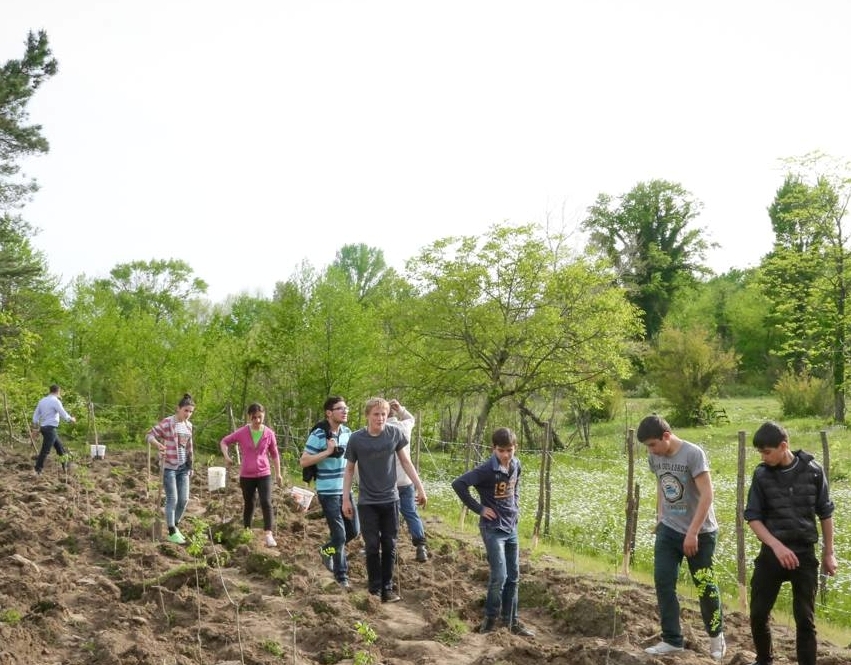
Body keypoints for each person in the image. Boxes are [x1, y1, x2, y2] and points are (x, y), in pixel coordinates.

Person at [744, 421, 836, 665]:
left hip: (804, 554)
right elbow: (753, 517)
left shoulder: (814, 471)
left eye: (767, 451)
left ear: (783, 446)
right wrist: (776, 546)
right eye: (760, 453)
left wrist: (829, 553)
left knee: (805, 619)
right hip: (772, 553)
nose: (763, 457)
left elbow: (825, 513)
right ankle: (764, 660)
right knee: (758, 613)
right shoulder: (761, 475)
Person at [637, 414, 725, 660]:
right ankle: (672, 640)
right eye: (647, 447)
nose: (651, 451)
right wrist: (659, 517)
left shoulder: (693, 454)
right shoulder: (655, 456)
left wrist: (693, 533)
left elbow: (707, 495)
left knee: (705, 586)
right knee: (664, 582)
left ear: (666, 436)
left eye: (653, 445)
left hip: (701, 533)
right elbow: (661, 485)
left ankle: (716, 637)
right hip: (668, 529)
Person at [451, 427, 535, 637]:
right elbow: (459, 484)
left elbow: (516, 487)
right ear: (493, 449)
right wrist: (480, 508)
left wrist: (515, 505)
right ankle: (489, 620)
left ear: (515, 448)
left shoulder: (516, 465)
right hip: (492, 529)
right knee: (500, 576)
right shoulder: (486, 470)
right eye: (501, 451)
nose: (506, 455)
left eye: (510, 450)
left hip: (511, 527)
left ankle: (511, 621)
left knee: (514, 576)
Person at [342, 397, 427, 602]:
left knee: (390, 544)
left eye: (384, 414)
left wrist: (419, 486)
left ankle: (387, 588)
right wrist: (345, 498)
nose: (380, 418)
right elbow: (350, 469)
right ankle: (374, 588)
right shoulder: (356, 439)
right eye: (376, 414)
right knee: (372, 545)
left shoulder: (394, 433)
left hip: (391, 499)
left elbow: (405, 461)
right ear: (367, 416)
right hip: (367, 501)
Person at [300, 396, 359, 589]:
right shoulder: (319, 434)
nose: (345, 411)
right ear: (329, 413)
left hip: (345, 490)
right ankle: (341, 577)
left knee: (354, 531)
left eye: (346, 408)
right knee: (340, 535)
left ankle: (327, 550)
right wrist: (327, 451)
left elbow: (352, 462)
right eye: (340, 408)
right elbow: (304, 461)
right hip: (327, 492)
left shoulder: (348, 432)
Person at [220, 403, 283, 548]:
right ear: (249, 417)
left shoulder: (269, 433)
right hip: (246, 475)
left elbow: (274, 454)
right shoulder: (242, 432)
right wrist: (226, 456)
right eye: (254, 417)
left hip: (264, 473)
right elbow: (224, 441)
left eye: (260, 417)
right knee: (249, 502)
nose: (257, 420)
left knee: (266, 502)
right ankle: (247, 530)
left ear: (264, 415)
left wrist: (278, 473)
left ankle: (268, 534)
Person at [147, 394, 196, 545]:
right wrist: (158, 445)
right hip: (169, 466)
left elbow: (189, 447)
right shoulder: (168, 423)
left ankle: (174, 525)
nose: (187, 414)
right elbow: (149, 435)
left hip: (183, 467)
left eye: (190, 412)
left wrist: (191, 465)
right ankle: (171, 531)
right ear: (178, 409)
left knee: (184, 499)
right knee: (172, 499)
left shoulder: (189, 426)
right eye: (185, 410)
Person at [387, 399, 429, 563]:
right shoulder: (405, 426)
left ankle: (392, 549)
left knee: (391, 516)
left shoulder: (383, 429)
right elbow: (411, 418)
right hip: (407, 479)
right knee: (411, 512)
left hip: (389, 480)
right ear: (394, 412)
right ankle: (421, 546)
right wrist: (401, 409)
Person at [32, 384, 77, 476]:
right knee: (45, 450)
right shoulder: (55, 401)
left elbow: (35, 416)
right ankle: (37, 470)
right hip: (50, 429)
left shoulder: (42, 401)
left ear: (50, 391)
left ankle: (66, 466)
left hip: (44, 428)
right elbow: (63, 414)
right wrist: (71, 419)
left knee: (60, 449)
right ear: (58, 391)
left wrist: (35, 427)